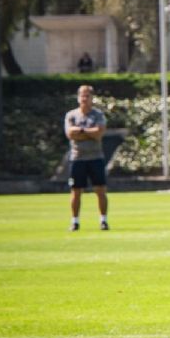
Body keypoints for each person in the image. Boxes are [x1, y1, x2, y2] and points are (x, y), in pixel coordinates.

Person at [64, 85, 109, 231]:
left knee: (100, 190)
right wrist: (89, 132)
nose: (84, 99)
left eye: (87, 96)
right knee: (76, 191)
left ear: (92, 98)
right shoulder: (71, 115)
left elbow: (98, 134)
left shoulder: (98, 115)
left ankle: (103, 220)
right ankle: (75, 221)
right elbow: (70, 134)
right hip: (77, 158)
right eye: (82, 96)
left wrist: (81, 131)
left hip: (95, 157)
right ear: (78, 97)